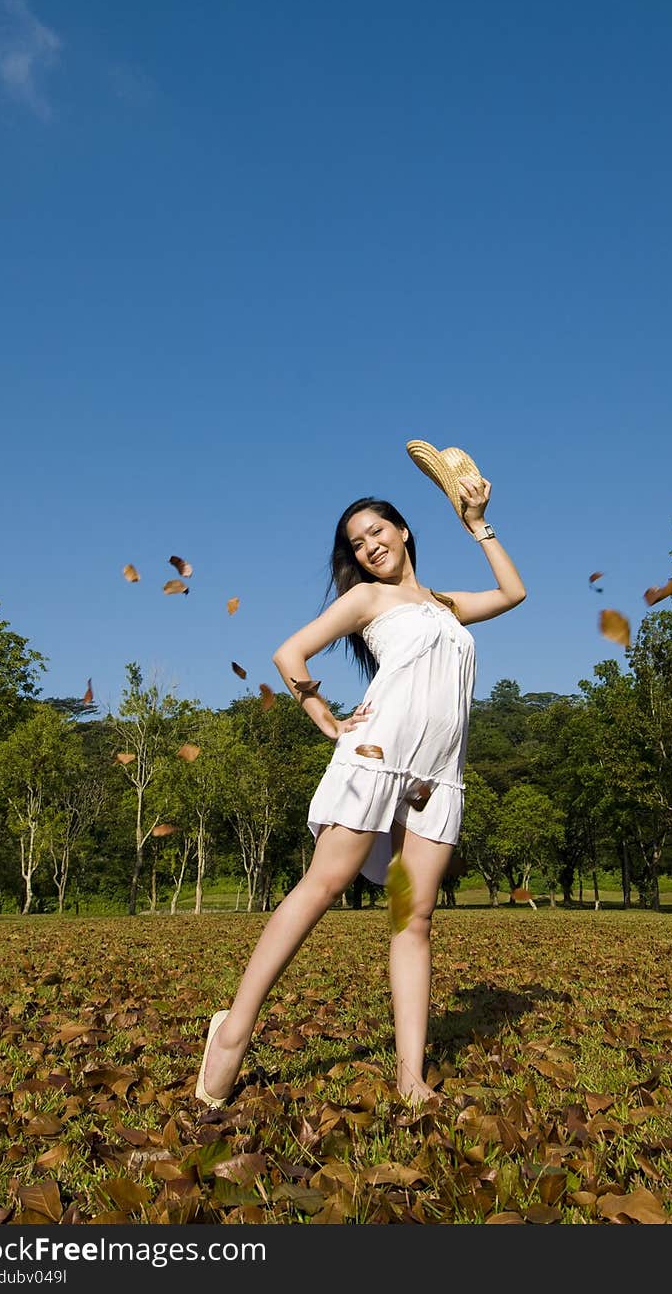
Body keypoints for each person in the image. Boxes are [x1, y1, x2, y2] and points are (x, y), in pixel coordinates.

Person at [195, 472, 525, 1107]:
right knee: (322, 887)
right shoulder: (368, 601)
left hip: (435, 778)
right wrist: (327, 718)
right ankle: (233, 1031)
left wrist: (477, 523)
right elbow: (290, 654)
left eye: (378, 530)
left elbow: (514, 592)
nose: (369, 545)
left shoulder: (448, 607)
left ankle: (410, 1078)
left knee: (414, 917)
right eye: (356, 542)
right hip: (375, 761)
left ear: (403, 531)